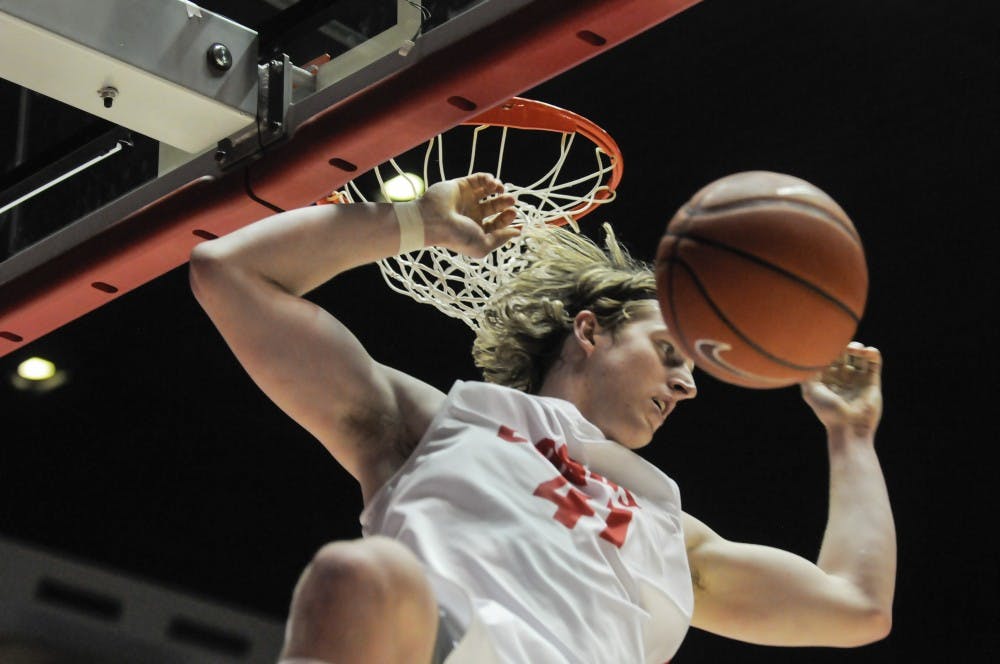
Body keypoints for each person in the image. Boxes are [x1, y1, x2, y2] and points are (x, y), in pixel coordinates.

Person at [189, 173, 895, 663]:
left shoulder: (667, 528)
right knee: (359, 578)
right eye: (668, 353)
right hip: (437, 645)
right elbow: (229, 272)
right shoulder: (447, 424)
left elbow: (856, 605)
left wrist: (852, 434)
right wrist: (411, 223)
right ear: (590, 332)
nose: (687, 386)